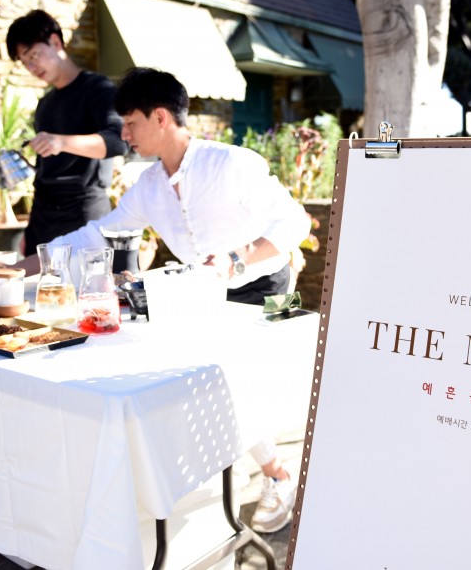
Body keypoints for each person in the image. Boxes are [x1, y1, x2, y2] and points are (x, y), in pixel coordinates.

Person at [15, 67, 309, 533]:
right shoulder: (149, 185)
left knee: (236, 385)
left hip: (261, 286)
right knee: (205, 382)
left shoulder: (230, 163)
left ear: (160, 117)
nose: (124, 134)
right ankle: (225, 476)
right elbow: (98, 234)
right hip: (200, 293)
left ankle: (277, 475)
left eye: (130, 123)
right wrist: (21, 267)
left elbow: (294, 223)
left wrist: (237, 259)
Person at [6, 10, 128, 256]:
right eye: (25, 62)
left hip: (85, 215)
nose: (31, 67)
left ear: (55, 42)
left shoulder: (98, 88)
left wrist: (61, 142)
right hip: (44, 219)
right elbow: (45, 172)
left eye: (33, 55)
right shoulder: (45, 104)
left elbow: (118, 141)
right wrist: (31, 231)